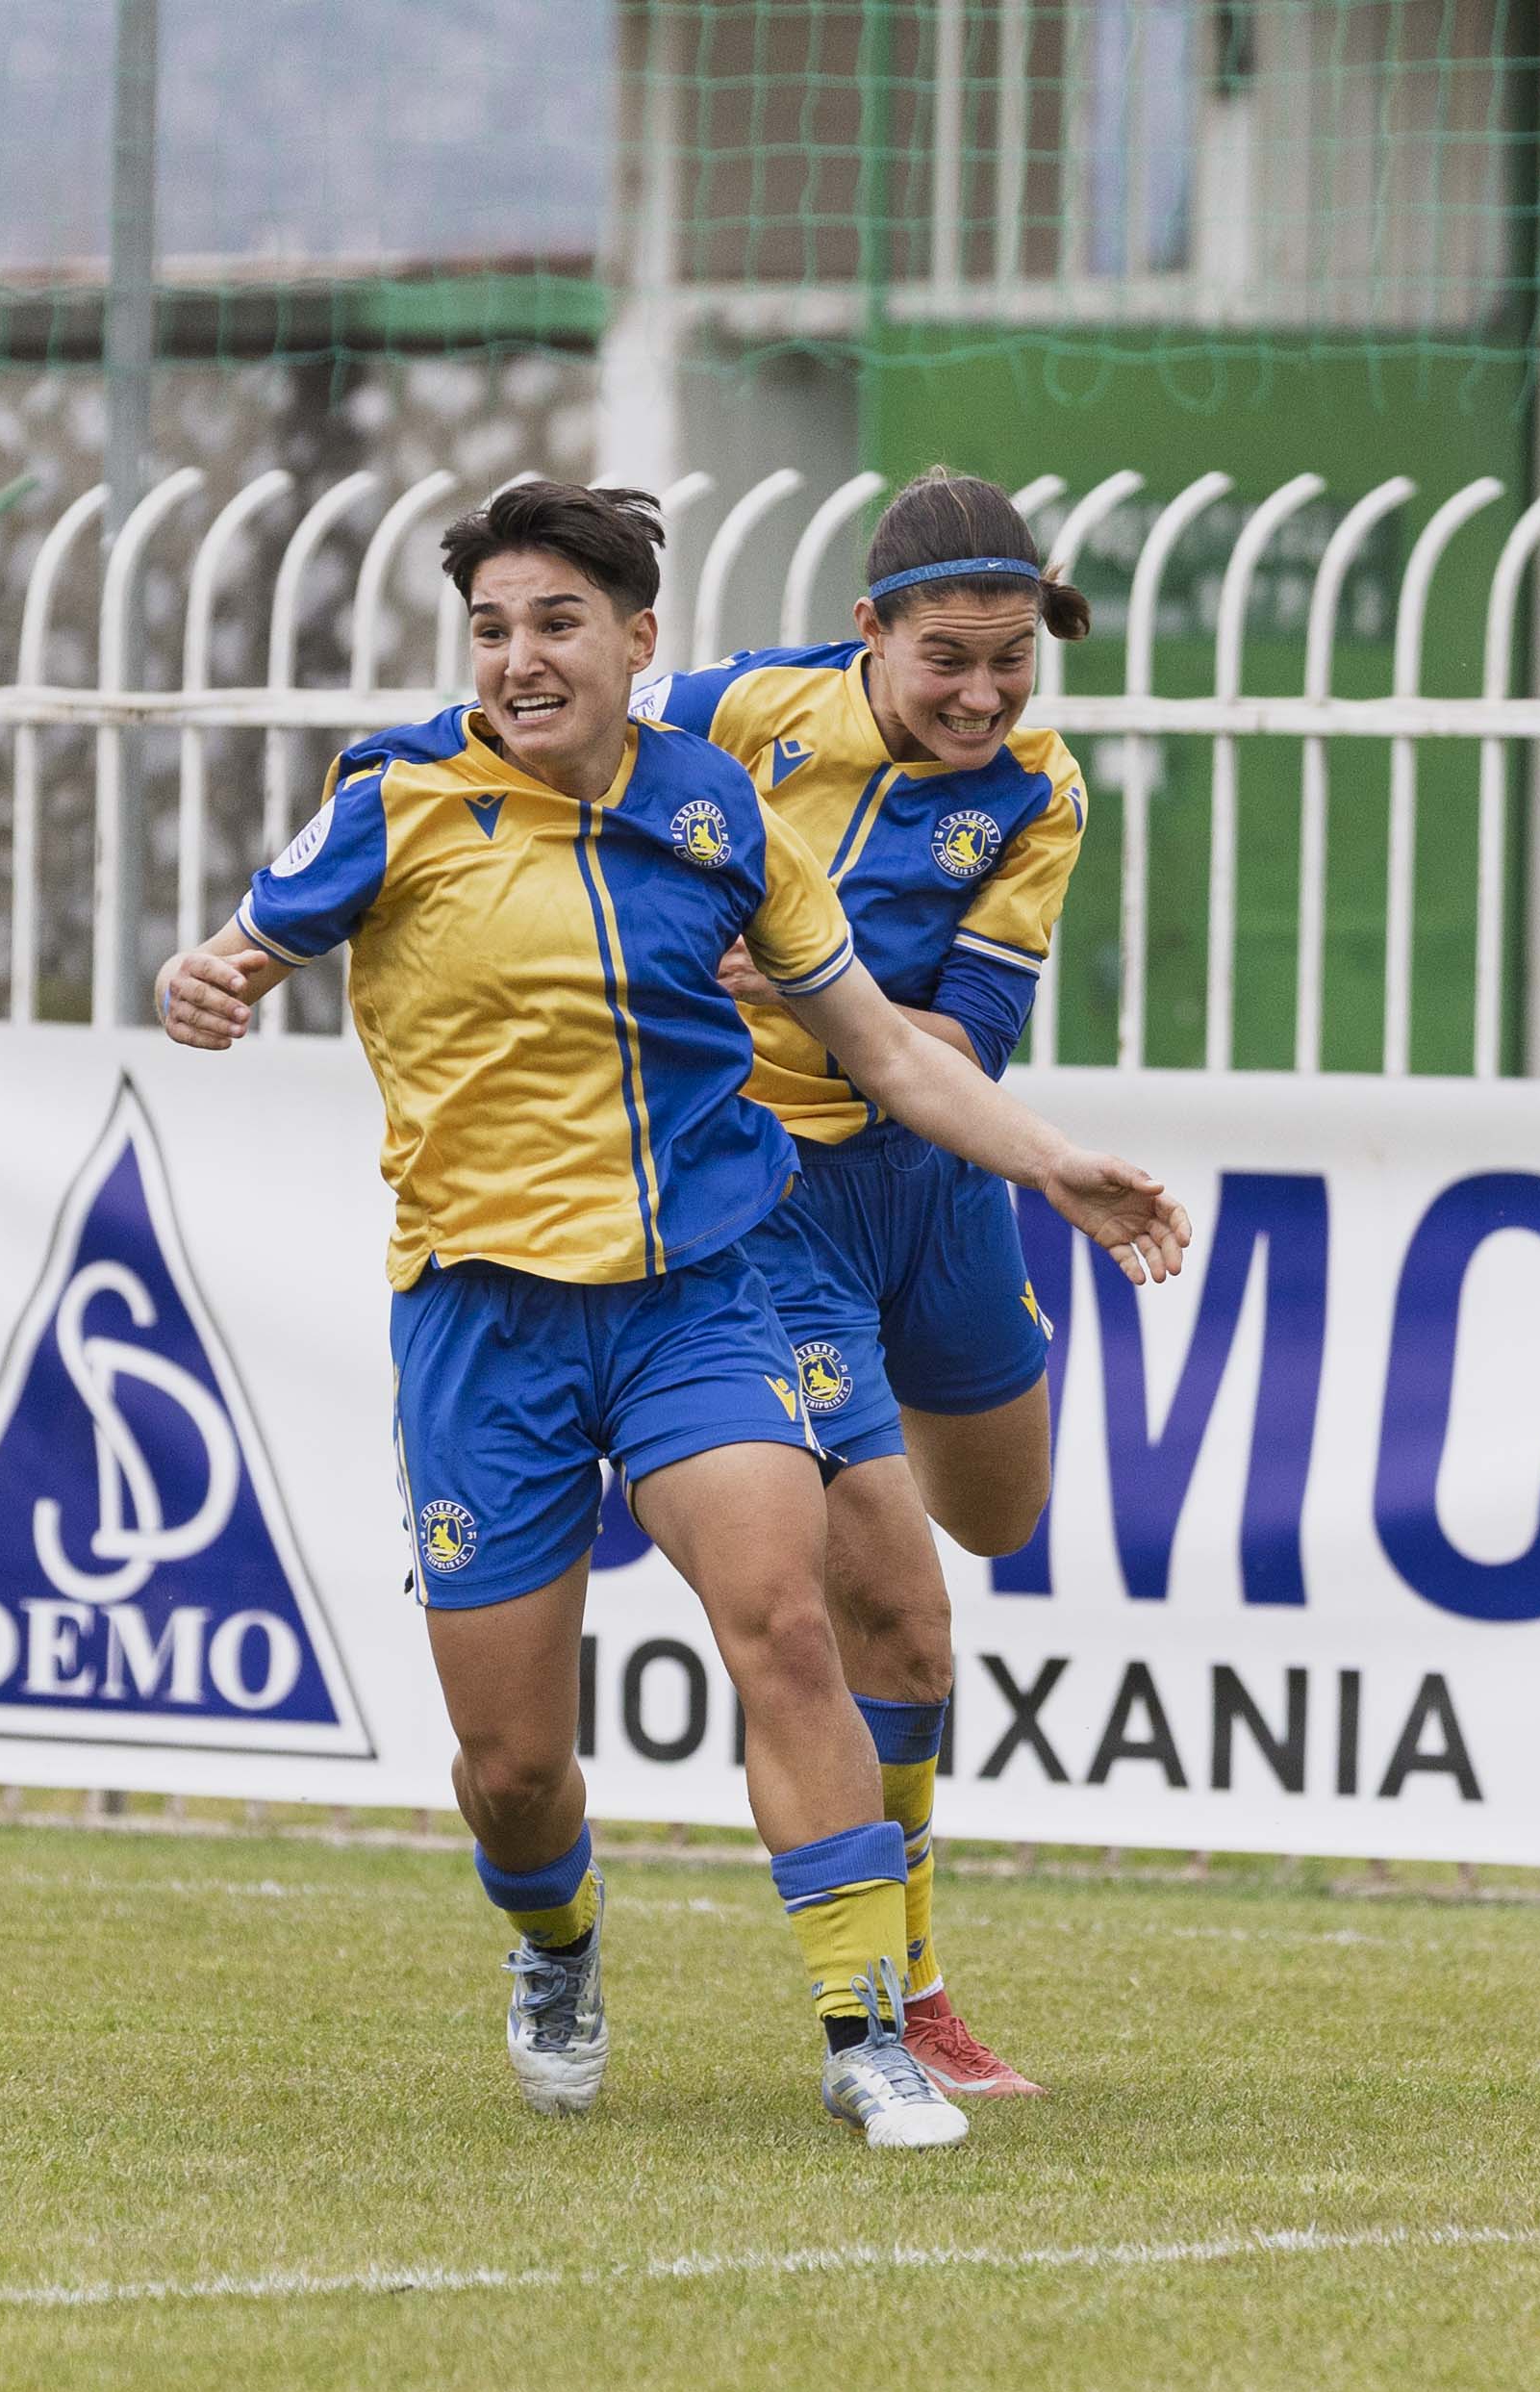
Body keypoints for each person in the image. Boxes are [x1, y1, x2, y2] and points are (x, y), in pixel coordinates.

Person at [155, 480, 1186, 2149]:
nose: (521, 657)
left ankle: (869, 2029)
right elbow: (229, 955)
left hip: (701, 1292)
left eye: (557, 624)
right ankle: (557, 1942)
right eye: (493, 628)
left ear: (638, 644)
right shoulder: (395, 796)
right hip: (488, 1321)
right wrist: (198, 982)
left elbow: (897, 1045)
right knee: (512, 1769)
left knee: (795, 1621)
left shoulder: (717, 806)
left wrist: (1057, 1163)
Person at [629, 468, 1093, 2099]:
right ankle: (904, 1988)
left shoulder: (1039, 790)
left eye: (1011, 660)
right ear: (868, 634)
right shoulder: (733, 713)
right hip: (768, 1199)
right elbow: (550, 754)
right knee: (902, 1617)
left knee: (1000, 1520)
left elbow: (961, 1042)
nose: (981, 694)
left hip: (940, 1180)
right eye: (946, 658)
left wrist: (806, 982)